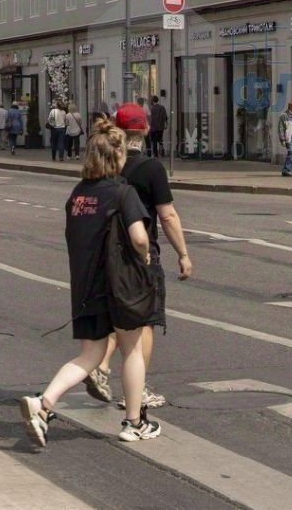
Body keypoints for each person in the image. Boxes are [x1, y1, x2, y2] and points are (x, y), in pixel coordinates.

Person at [21, 120, 160, 446]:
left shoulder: (78, 195)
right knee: (132, 350)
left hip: (86, 285)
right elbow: (140, 237)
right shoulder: (123, 192)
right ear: (118, 156)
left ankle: (43, 404)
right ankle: (134, 423)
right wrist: (145, 257)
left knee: (90, 355)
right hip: (121, 286)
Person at [81, 103, 193, 410]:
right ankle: (137, 391)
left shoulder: (107, 163)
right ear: (145, 129)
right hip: (139, 254)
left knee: (119, 318)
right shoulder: (151, 168)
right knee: (144, 323)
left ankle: (101, 366)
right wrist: (183, 254)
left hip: (105, 253)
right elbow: (167, 215)